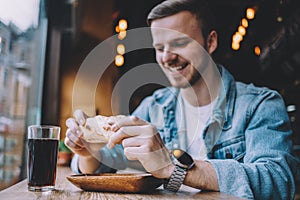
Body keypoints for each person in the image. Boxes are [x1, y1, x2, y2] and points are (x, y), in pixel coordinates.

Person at [65, 0, 299, 199]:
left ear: (211, 42)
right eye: (159, 47)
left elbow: (278, 182)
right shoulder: (154, 105)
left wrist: (171, 168)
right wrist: (88, 151)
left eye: (179, 43)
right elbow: (108, 161)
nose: (167, 57)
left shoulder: (261, 105)